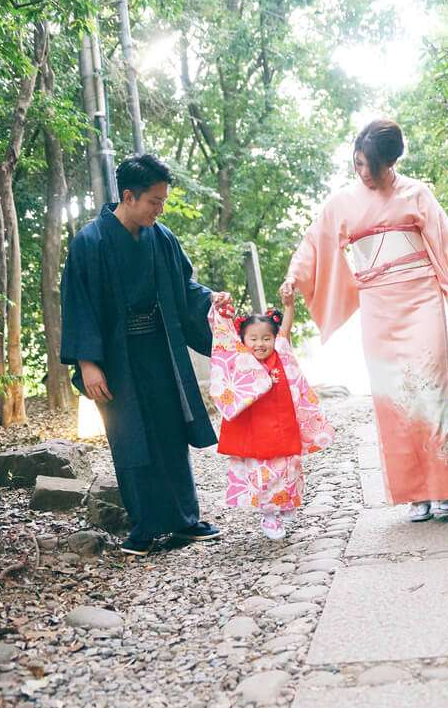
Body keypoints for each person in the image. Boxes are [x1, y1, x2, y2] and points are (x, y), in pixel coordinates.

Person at [280, 119, 448, 522]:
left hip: (420, 296)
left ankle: (443, 489)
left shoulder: (416, 193)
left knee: (432, 390)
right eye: (358, 164)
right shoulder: (342, 203)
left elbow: (445, 238)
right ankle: (414, 493)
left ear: (391, 162)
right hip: (378, 305)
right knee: (393, 397)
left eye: (372, 165)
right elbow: (313, 243)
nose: (364, 173)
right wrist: (293, 277)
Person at [60, 153, 232, 556]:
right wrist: (88, 363)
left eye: (163, 201)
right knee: (130, 437)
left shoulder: (163, 238)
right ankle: (143, 529)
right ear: (129, 196)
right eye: (155, 201)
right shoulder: (90, 242)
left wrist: (211, 301)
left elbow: (184, 287)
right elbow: (78, 303)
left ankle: (184, 522)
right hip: (115, 358)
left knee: (171, 431)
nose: (160, 208)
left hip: (160, 348)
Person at [208, 292, 333, 540]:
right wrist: (221, 311)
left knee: (289, 467)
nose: (260, 343)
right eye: (252, 338)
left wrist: (289, 306)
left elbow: (285, 329)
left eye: (266, 338)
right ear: (243, 340)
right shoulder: (239, 360)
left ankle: (286, 504)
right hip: (255, 430)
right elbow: (223, 335)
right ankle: (269, 515)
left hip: (283, 426)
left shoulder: (281, 356)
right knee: (262, 472)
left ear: (275, 339)